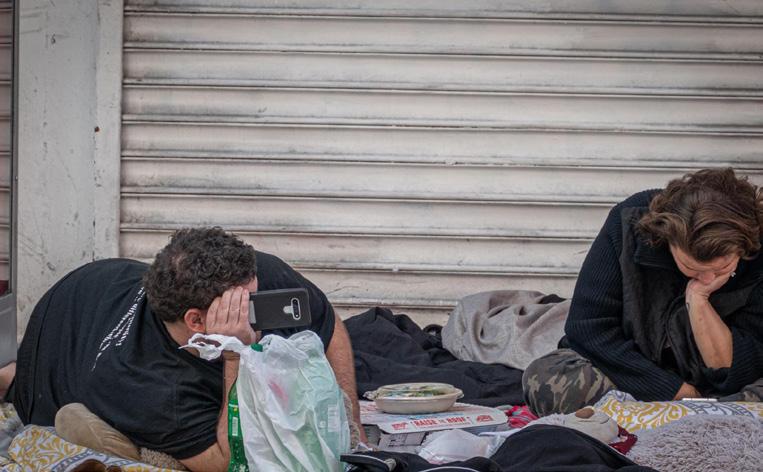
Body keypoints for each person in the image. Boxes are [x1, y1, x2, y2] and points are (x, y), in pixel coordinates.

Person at [3, 227, 363, 471]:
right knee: (27, 391)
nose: (258, 306)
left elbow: (327, 323)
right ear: (196, 321)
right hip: (59, 350)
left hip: (102, 279)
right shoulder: (148, 387)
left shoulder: (253, 274)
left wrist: (353, 423)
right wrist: (234, 354)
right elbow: (228, 461)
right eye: (244, 305)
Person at [523, 168, 763, 416]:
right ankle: (697, 417)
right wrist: (673, 391)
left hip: (724, 386)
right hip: (637, 373)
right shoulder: (629, 221)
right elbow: (587, 328)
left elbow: (739, 366)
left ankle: (667, 417)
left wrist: (698, 299)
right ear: (668, 241)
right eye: (691, 268)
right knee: (546, 380)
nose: (708, 279)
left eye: (721, 269)